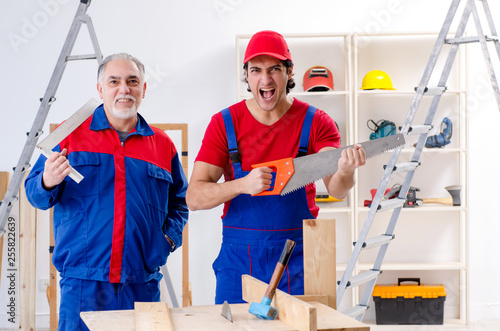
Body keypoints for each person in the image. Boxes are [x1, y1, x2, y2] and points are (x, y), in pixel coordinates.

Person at [186, 30, 366, 304]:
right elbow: (194, 198)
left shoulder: (317, 122)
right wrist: (242, 185)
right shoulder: (224, 123)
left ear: (289, 72)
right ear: (246, 75)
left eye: (274, 69)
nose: (265, 79)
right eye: (256, 70)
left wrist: (346, 171)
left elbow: (337, 190)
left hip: (298, 258)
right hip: (238, 262)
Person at [24, 53, 189, 331]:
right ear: (100, 89)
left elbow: (180, 203)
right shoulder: (70, 136)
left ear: (144, 89)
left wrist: (167, 242)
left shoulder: (162, 145)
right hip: (83, 282)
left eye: (132, 81)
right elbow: (34, 193)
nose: (124, 89)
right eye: (114, 81)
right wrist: (48, 180)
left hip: (142, 282)